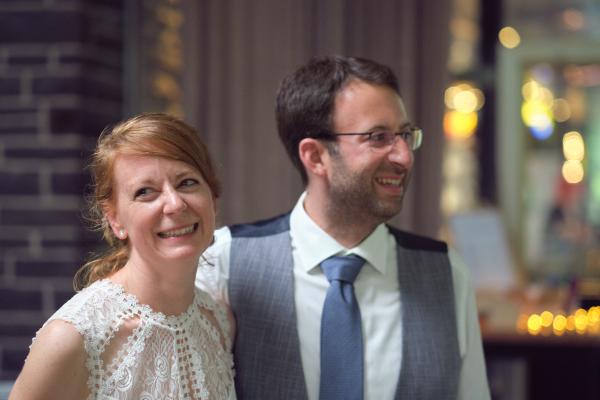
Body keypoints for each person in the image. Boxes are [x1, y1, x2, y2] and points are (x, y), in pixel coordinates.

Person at [197, 55, 490, 400]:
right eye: (378, 137)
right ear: (315, 156)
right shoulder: (223, 262)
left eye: (405, 135)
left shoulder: (446, 271)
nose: (404, 157)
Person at [10, 113, 236, 399]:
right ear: (115, 219)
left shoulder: (220, 321)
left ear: (212, 199)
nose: (175, 204)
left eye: (187, 182)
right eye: (145, 192)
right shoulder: (72, 339)